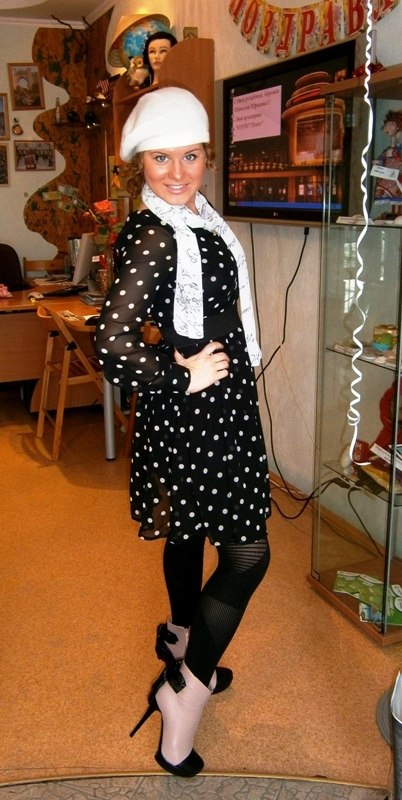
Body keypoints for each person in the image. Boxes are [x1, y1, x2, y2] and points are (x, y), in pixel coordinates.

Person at [95, 87, 271, 778]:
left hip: (211, 403)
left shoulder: (196, 218)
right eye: (160, 157)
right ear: (139, 162)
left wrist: (197, 367)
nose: (177, 172)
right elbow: (112, 345)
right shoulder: (155, 232)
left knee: (188, 531)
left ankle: (181, 640)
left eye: (190, 155)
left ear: (207, 157)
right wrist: (182, 374)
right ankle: (183, 693)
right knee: (248, 556)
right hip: (198, 407)